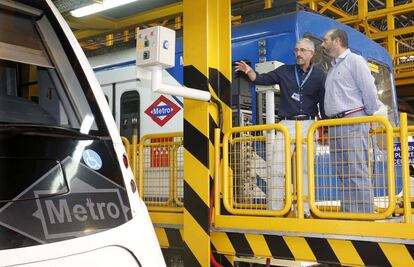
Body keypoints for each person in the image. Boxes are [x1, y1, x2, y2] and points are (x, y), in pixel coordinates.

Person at [235, 38, 326, 217]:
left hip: (309, 124)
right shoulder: (284, 71)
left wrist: (325, 125)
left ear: (311, 54)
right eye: (296, 50)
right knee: (277, 167)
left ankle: (304, 209)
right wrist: (249, 71)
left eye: (302, 50)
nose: (298, 53)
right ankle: (275, 210)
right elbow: (261, 79)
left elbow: (323, 102)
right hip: (286, 125)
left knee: (306, 169)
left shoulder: (319, 75)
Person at [321, 28, 380, 213]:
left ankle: (364, 217)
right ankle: (349, 215)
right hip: (336, 124)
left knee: (356, 170)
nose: (322, 44)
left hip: (352, 121)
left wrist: (366, 115)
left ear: (337, 41)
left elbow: (369, 90)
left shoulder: (354, 61)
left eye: (325, 40)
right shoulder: (333, 68)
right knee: (342, 172)